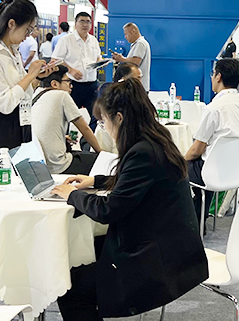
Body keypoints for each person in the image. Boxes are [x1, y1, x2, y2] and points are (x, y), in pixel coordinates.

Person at [51, 79, 208, 320]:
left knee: (70, 288)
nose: (105, 128)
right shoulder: (156, 138)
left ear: (119, 118)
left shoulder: (141, 152)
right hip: (170, 247)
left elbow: (108, 210)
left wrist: (72, 195)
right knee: (86, 252)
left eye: (104, 122)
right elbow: (137, 182)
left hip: (156, 259)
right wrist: (95, 181)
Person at [0, 0, 55, 155]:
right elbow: (4, 103)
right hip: (1, 127)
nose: (28, 35)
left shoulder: (13, 52)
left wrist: (37, 77)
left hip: (21, 121)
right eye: (27, 30)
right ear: (11, 24)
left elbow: (22, 92)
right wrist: (29, 76)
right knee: (3, 170)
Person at [184, 58, 239, 227]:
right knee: (206, 162)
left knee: (183, 167)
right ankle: (201, 219)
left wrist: (179, 161)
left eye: (213, 74)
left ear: (218, 77)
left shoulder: (213, 108)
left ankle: (194, 223)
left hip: (211, 173)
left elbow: (196, 150)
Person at [31, 65, 103, 175]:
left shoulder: (36, 94)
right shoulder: (62, 95)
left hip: (39, 164)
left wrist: (62, 137)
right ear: (54, 84)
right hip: (58, 165)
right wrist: (102, 154)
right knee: (100, 162)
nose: (71, 86)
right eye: (68, 81)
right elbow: (84, 129)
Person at [51, 12, 102, 130]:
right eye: (82, 21)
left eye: (88, 22)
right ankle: (67, 138)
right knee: (68, 116)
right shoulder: (66, 40)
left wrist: (100, 62)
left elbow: (98, 56)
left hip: (92, 85)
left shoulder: (93, 40)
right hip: (73, 85)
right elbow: (55, 60)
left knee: (96, 115)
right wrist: (71, 70)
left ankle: (89, 139)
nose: (85, 24)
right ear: (75, 23)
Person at [112, 23, 151, 91]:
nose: (125, 37)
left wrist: (121, 59)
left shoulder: (140, 43)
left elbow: (136, 61)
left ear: (133, 31)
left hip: (138, 87)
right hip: (136, 86)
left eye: (126, 34)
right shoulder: (137, 44)